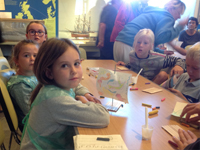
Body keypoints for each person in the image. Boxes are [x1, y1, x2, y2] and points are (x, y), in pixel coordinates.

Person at [20, 38, 110, 149]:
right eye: (64, 66)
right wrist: (85, 102)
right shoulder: (55, 99)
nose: (74, 71)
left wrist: (86, 94)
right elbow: (103, 117)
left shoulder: (54, 86)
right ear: (49, 73)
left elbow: (76, 86)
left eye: (76, 63)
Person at [114, 0, 188, 63]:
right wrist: (179, 27)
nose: (179, 17)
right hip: (131, 45)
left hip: (119, 43)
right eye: (178, 13)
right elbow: (161, 37)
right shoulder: (167, 16)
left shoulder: (154, 13)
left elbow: (149, 41)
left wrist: (161, 51)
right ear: (171, 9)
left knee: (121, 76)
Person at [117, 29, 185, 84]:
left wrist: (179, 65)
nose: (140, 45)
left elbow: (179, 60)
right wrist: (126, 65)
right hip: (134, 82)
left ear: (151, 46)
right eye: (138, 42)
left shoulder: (158, 58)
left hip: (150, 83)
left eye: (145, 43)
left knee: (163, 75)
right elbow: (134, 65)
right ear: (134, 43)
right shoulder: (132, 54)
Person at [7, 40, 39, 131]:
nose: (32, 58)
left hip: (42, 117)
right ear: (16, 60)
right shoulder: (20, 85)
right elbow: (30, 113)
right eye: (26, 55)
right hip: (33, 128)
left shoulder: (34, 76)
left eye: (35, 55)